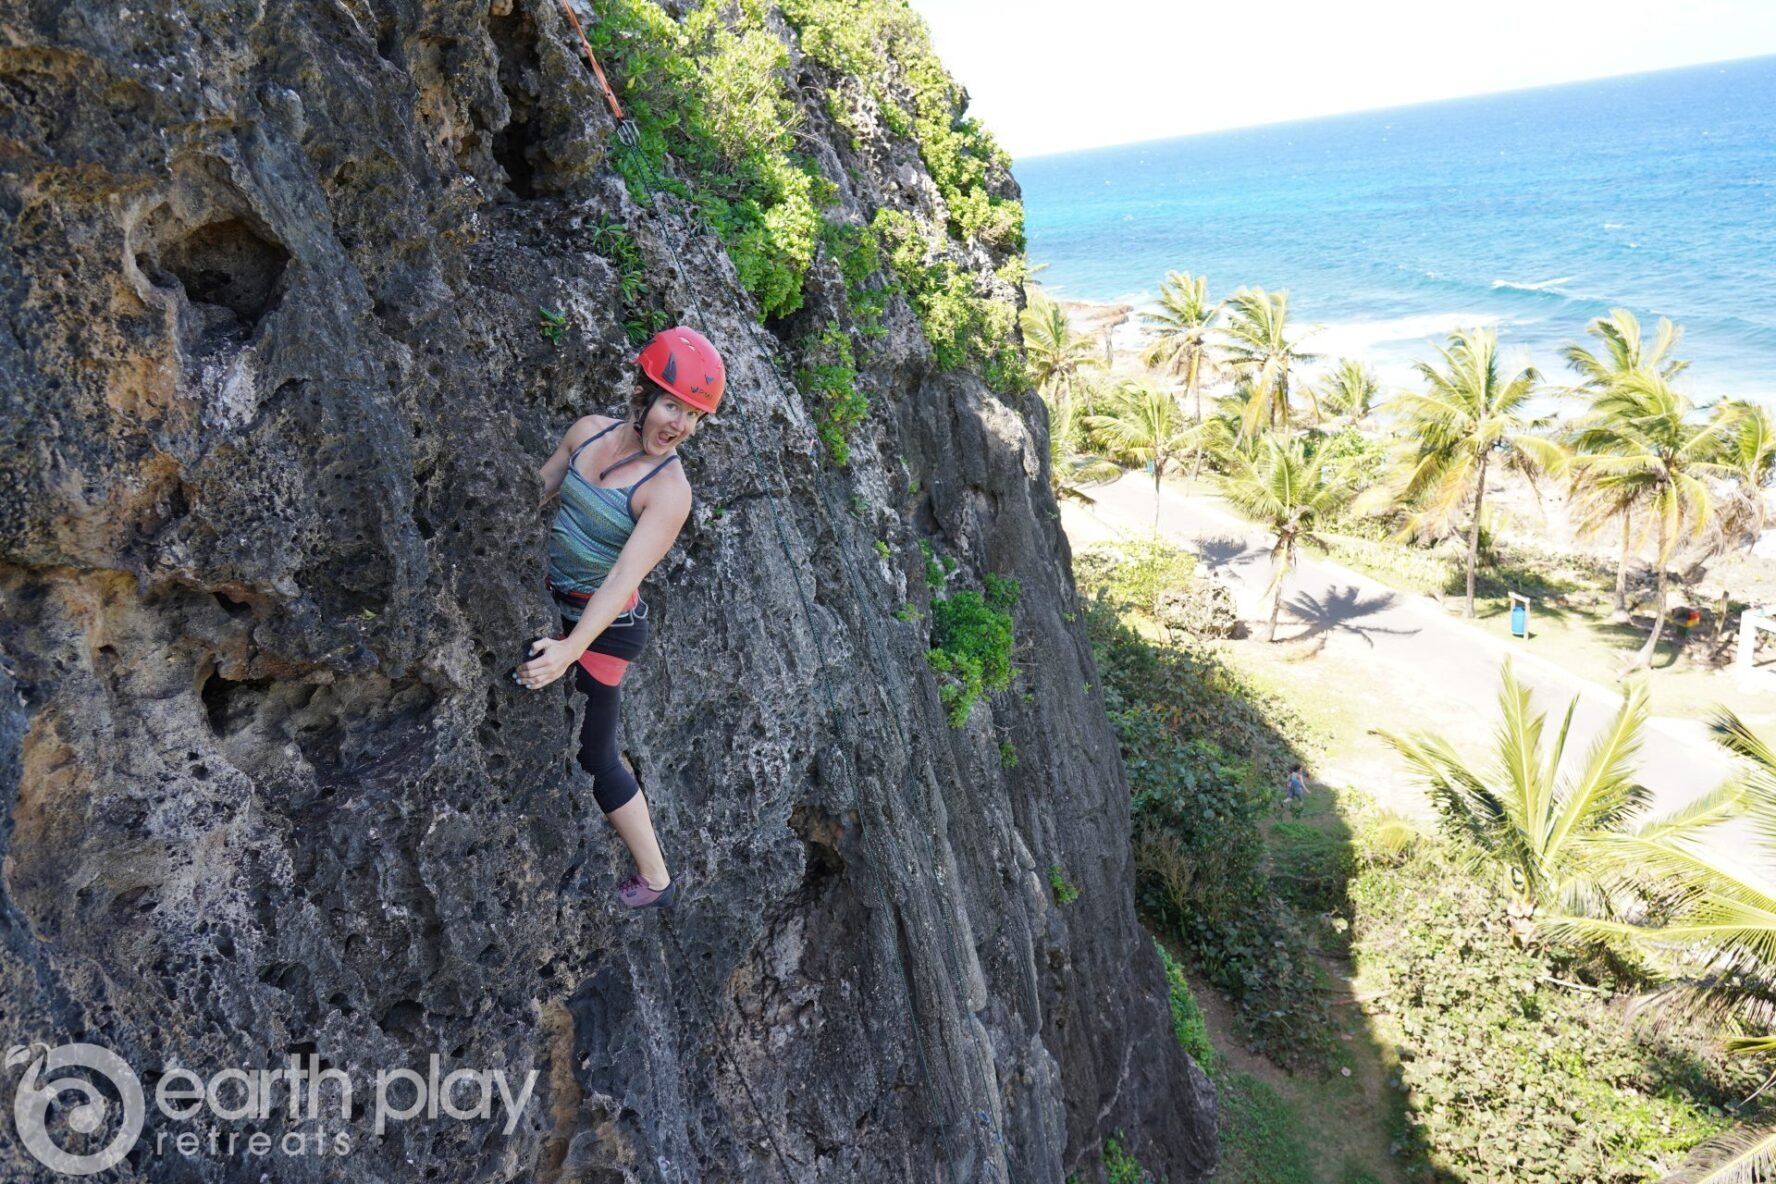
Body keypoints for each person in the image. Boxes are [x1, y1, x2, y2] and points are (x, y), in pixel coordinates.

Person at [513, 325, 725, 909]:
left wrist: (570, 649)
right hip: (561, 603)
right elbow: (532, 494)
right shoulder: (586, 434)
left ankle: (657, 879)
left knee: (595, 754)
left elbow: (622, 580)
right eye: (672, 405)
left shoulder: (669, 491)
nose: (679, 424)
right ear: (642, 396)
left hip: (608, 628)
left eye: (693, 417)